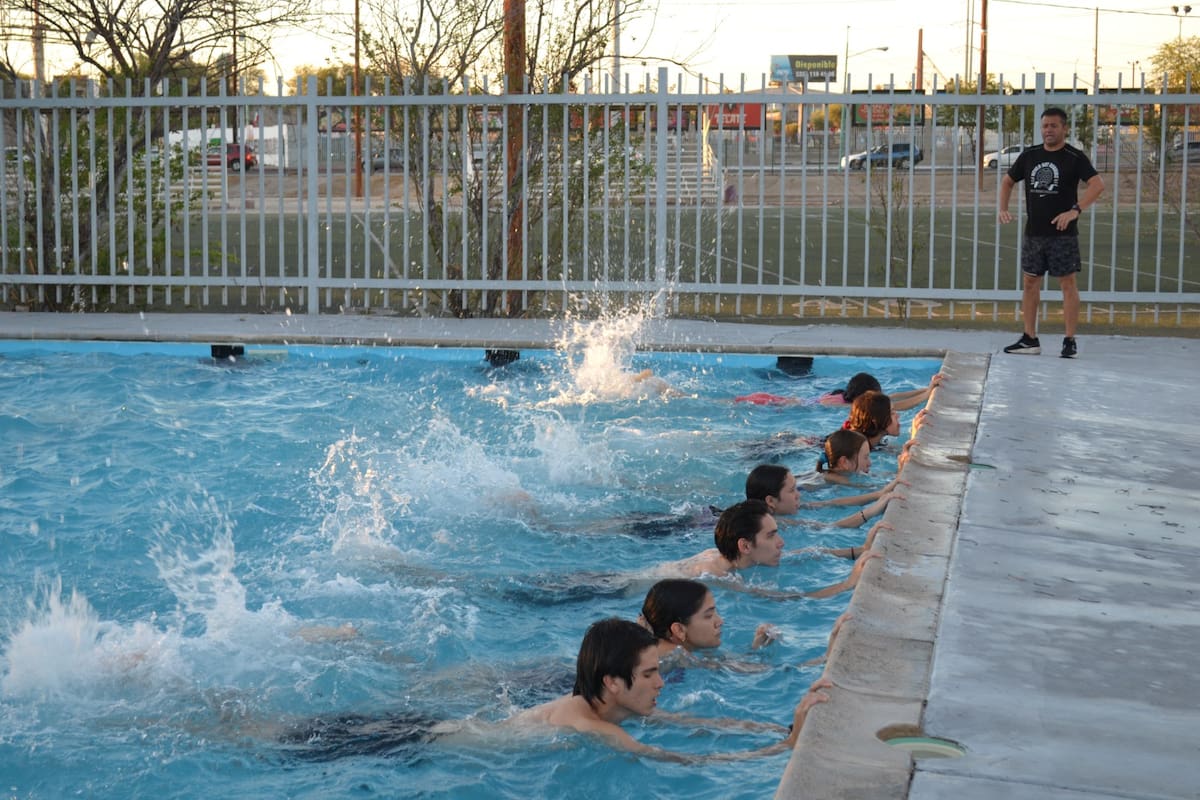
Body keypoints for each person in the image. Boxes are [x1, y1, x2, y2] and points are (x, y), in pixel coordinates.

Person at [514, 617, 831, 762]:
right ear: (611, 681)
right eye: (649, 673)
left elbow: (695, 723)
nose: (661, 682)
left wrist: (781, 729)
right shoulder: (592, 726)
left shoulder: (615, 706)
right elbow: (682, 759)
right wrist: (787, 746)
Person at [999, 106, 1105, 359]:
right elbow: (1007, 181)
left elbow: (1097, 185)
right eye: (1045, 126)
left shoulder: (1074, 157)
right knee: (1030, 283)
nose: (1048, 130)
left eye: (1053, 126)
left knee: (1067, 284)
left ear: (1064, 128)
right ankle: (1030, 339)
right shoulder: (1030, 155)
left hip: (1063, 235)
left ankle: (1069, 340)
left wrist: (1075, 210)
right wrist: (1002, 208)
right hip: (1034, 233)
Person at [658, 500, 880, 598]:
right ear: (745, 546)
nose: (781, 542)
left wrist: (858, 550)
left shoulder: (734, 556)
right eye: (771, 535)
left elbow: (802, 553)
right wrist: (848, 584)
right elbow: (787, 597)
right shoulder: (717, 575)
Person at [638, 579, 776, 662]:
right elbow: (748, 670)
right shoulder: (675, 656)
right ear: (679, 630)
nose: (720, 621)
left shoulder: (654, 643)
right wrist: (759, 651)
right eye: (708, 616)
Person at [745, 463, 897, 530]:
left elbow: (832, 503)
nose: (798, 495)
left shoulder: (778, 511)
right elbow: (831, 527)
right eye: (792, 491)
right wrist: (871, 512)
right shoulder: (779, 522)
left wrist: (879, 494)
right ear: (770, 501)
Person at [734, 371, 942, 412]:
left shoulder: (845, 396)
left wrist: (926, 389)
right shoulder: (842, 405)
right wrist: (926, 395)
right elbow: (892, 405)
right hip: (777, 405)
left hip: (780, 399)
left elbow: (890, 399)